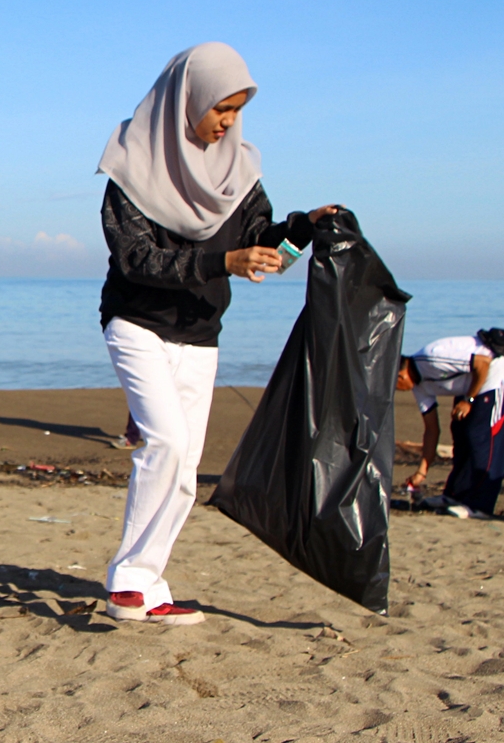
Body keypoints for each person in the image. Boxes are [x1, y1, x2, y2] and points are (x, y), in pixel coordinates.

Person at [96, 42, 340, 626]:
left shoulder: (240, 172)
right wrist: (220, 262)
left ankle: (148, 582)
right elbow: (135, 258)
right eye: (220, 108)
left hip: (201, 332)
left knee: (186, 465)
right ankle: (126, 578)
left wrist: (305, 228)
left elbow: (264, 241)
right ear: (187, 100)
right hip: (136, 323)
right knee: (166, 444)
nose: (228, 122)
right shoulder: (130, 164)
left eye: (237, 111)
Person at [396, 334, 504, 519]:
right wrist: (421, 472)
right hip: (472, 386)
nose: (398, 390)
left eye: (395, 386)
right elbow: (432, 429)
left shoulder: (431, 357)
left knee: (480, 436)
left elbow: (483, 363)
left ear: (401, 375)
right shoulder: (419, 386)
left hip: (497, 374)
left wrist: (468, 401)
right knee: (460, 432)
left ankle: (480, 505)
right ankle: (455, 495)